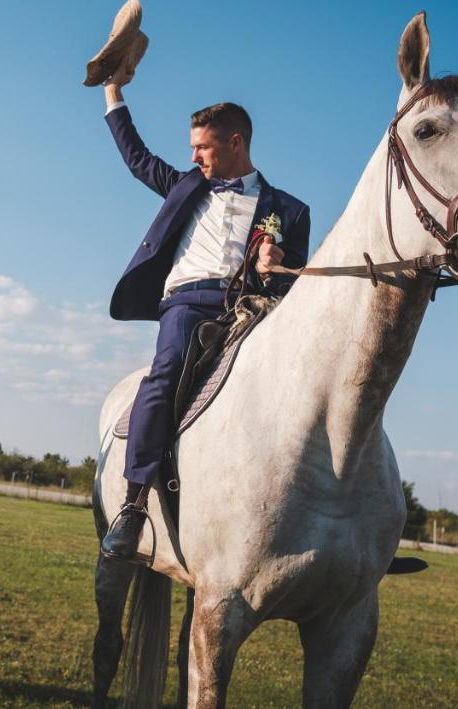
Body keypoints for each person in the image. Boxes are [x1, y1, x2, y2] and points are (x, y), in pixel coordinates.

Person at [97, 61, 311, 560]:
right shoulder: (183, 186)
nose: (193, 155)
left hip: (251, 311)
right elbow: (135, 157)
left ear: (235, 143)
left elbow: (294, 283)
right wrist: (113, 93)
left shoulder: (291, 211)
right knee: (165, 373)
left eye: (203, 146)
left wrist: (274, 263)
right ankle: (133, 505)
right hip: (188, 305)